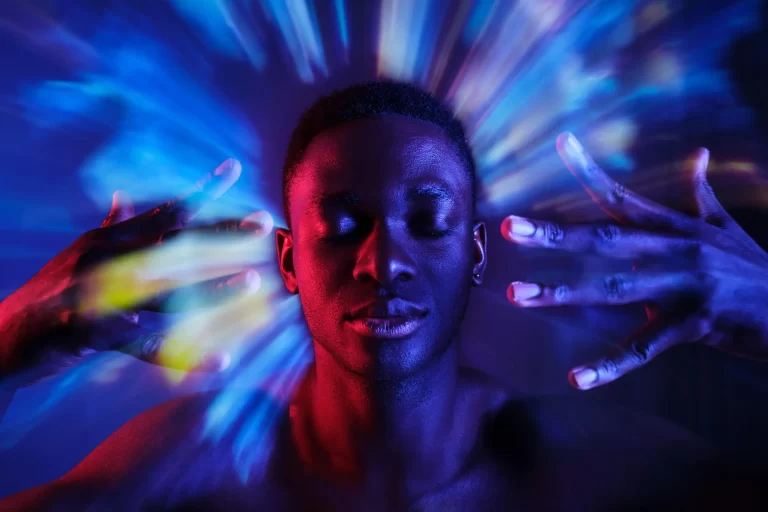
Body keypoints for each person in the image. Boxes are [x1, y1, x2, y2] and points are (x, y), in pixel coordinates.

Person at [1, 81, 767, 511]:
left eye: (429, 222)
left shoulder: (593, 476)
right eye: (341, 226)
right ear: (290, 261)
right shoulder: (195, 473)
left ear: (471, 253)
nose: (385, 260)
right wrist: (12, 338)